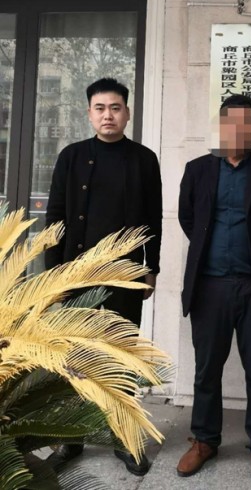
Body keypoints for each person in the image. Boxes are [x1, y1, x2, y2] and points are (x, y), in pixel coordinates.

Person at [177, 93, 251, 488]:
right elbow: (187, 218)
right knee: (206, 370)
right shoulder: (197, 170)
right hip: (209, 286)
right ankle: (204, 440)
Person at [44, 77, 162, 476]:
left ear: (127, 113)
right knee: (75, 359)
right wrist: (54, 277)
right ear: (89, 113)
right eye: (100, 108)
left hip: (123, 275)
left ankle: (123, 436)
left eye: (115, 108)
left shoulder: (143, 160)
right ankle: (71, 438)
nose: (107, 115)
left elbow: (153, 222)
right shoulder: (72, 156)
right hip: (77, 275)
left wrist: (150, 269)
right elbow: (55, 219)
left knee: (121, 356)